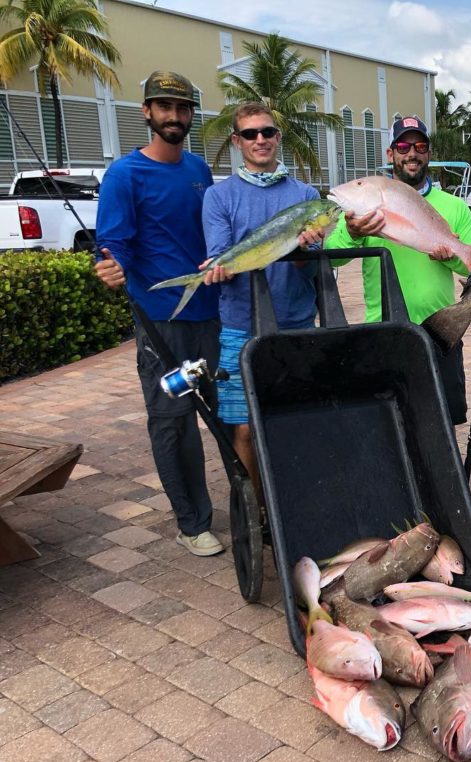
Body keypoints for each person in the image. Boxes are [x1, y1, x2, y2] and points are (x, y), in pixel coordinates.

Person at [94, 71, 224, 557]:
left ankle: (251, 500)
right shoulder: (124, 175)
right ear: (146, 112)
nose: (174, 116)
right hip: (161, 327)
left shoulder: (198, 171)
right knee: (173, 422)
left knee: (230, 416)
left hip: (212, 318)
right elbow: (115, 244)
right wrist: (109, 267)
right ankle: (192, 523)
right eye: (164, 107)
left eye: (182, 107)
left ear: (191, 114)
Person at [200, 102, 326, 501]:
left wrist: (307, 251)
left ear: (278, 137)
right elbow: (221, 252)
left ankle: (299, 500)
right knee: (244, 427)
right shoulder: (218, 196)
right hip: (240, 325)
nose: (260, 140)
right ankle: (260, 509)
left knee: (299, 420)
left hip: (297, 323)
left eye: (267, 132)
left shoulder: (305, 195)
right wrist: (220, 266)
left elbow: (314, 270)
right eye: (250, 134)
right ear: (237, 141)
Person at [325, 116, 471, 425]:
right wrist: (352, 233)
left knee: (442, 419)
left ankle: (443, 474)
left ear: (428, 153)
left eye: (420, 146)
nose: (412, 153)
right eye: (403, 146)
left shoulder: (454, 206)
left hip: (441, 328)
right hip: (384, 328)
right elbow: (333, 259)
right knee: (391, 419)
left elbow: (470, 264)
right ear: (390, 153)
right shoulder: (360, 210)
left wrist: (447, 256)